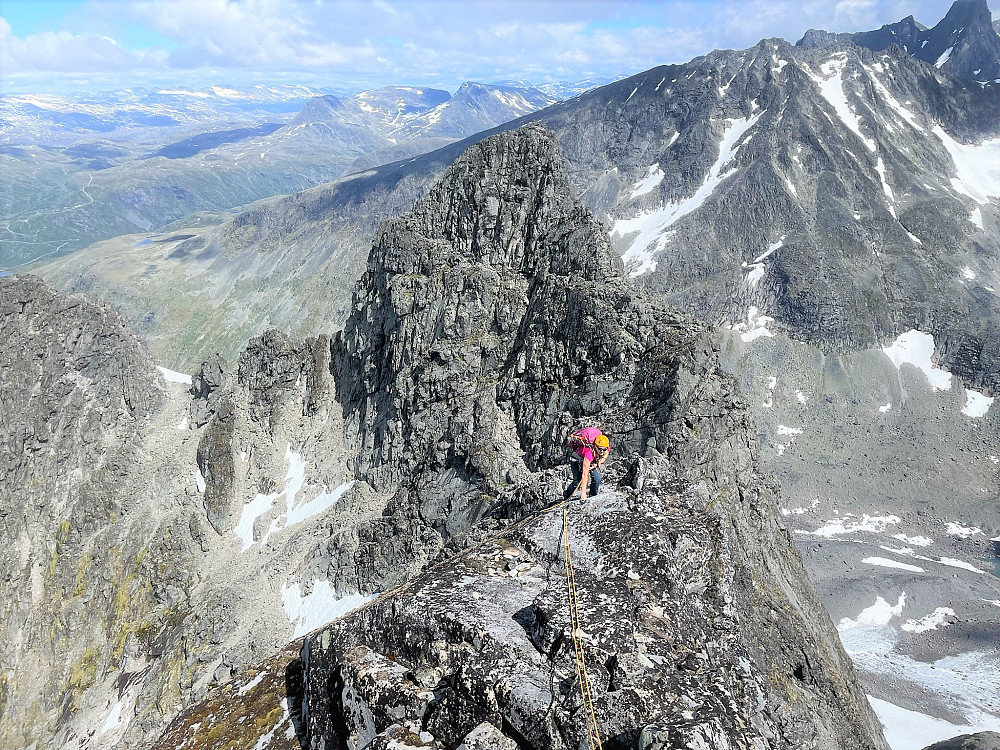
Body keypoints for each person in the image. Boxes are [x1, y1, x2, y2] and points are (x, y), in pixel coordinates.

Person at [564, 427, 610, 500]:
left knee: (597, 478)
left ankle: (593, 496)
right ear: (595, 446)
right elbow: (585, 474)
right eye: (600, 449)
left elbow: (606, 453)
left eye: (604, 449)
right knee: (577, 481)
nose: (602, 451)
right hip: (576, 459)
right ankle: (567, 495)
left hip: (592, 459)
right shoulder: (588, 453)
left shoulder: (604, 446)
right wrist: (583, 493)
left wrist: (597, 464)